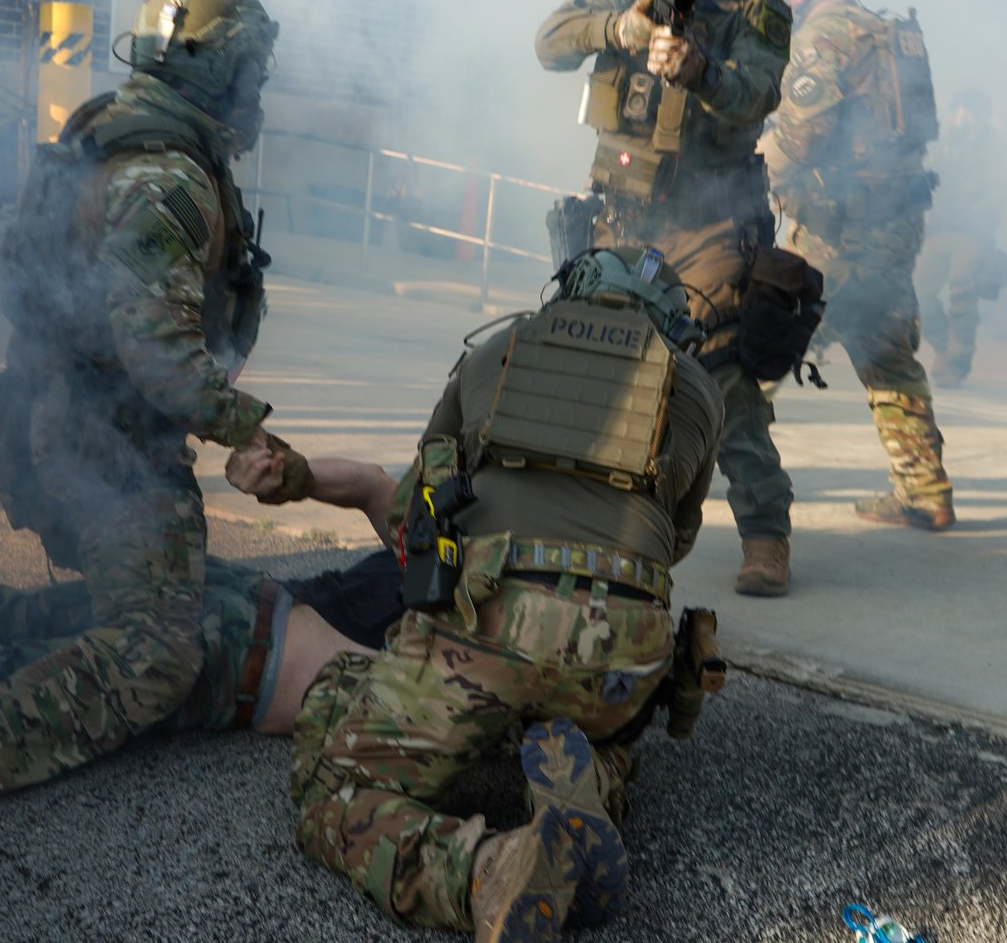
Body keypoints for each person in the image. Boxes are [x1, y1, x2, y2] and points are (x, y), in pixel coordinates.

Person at [0, 0, 302, 865]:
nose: (260, 98)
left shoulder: (110, 128)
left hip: (53, 420)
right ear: (218, 74)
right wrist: (251, 428)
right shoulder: (167, 179)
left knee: (157, 606)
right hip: (103, 446)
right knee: (159, 653)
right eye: (254, 77)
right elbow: (160, 354)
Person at [290, 247, 724, 941]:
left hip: (490, 621)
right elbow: (675, 542)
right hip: (621, 649)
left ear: (568, 291)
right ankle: (586, 781)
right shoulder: (698, 389)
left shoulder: (499, 348)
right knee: (598, 722)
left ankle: (488, 871)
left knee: (331, 794)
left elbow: (421, 506)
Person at [0, 451, 407, 867]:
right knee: (2, 640)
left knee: (5, 628)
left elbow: (372, 488)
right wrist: (291, 474)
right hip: (237, 623)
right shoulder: (481, 575)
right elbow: (373, 487)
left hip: (241, 637)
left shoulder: (481, 620)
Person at [535, 0, 798, 597]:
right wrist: (613, 28)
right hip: (621, 216)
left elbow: (758, 94)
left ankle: (766, 535)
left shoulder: (757, 4)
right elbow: (549, 41)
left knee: (722, 379)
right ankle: (584, 523)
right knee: (591, 364)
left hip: (713, 222)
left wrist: (702, 72)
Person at [749, 0, 957, 535]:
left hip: (836, 235)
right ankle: (925, 491)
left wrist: (736, 177)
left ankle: (695, 470)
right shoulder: (883, 31)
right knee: (888, 356)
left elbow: (797, 138)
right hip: (893, 224)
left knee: (757, 352)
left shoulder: (822, 36)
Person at [912, 90, 1007, 388]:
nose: (963, 117)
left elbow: (1005, 189)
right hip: (938, 230)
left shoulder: (994, 148)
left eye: (969, 111)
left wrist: (977, 208)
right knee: (919, 293)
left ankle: (957, 361)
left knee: (962, 296)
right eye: (959, 109)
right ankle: (944, 345)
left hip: (971, 235)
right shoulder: (941, 143)